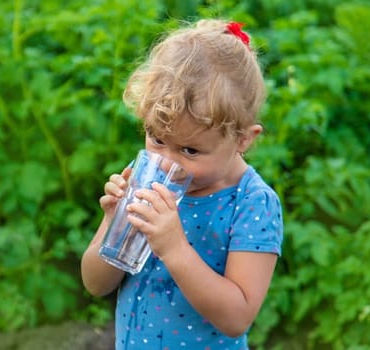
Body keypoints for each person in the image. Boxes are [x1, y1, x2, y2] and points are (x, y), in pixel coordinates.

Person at [80, 19, 284, 349]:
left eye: (190, 150)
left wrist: (174, 248)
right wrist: (114, 223)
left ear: (243, 139)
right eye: (156, 139)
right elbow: (94, 283)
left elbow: (237, 318)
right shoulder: (145, 176)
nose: (166, 163)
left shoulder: (252, 202)